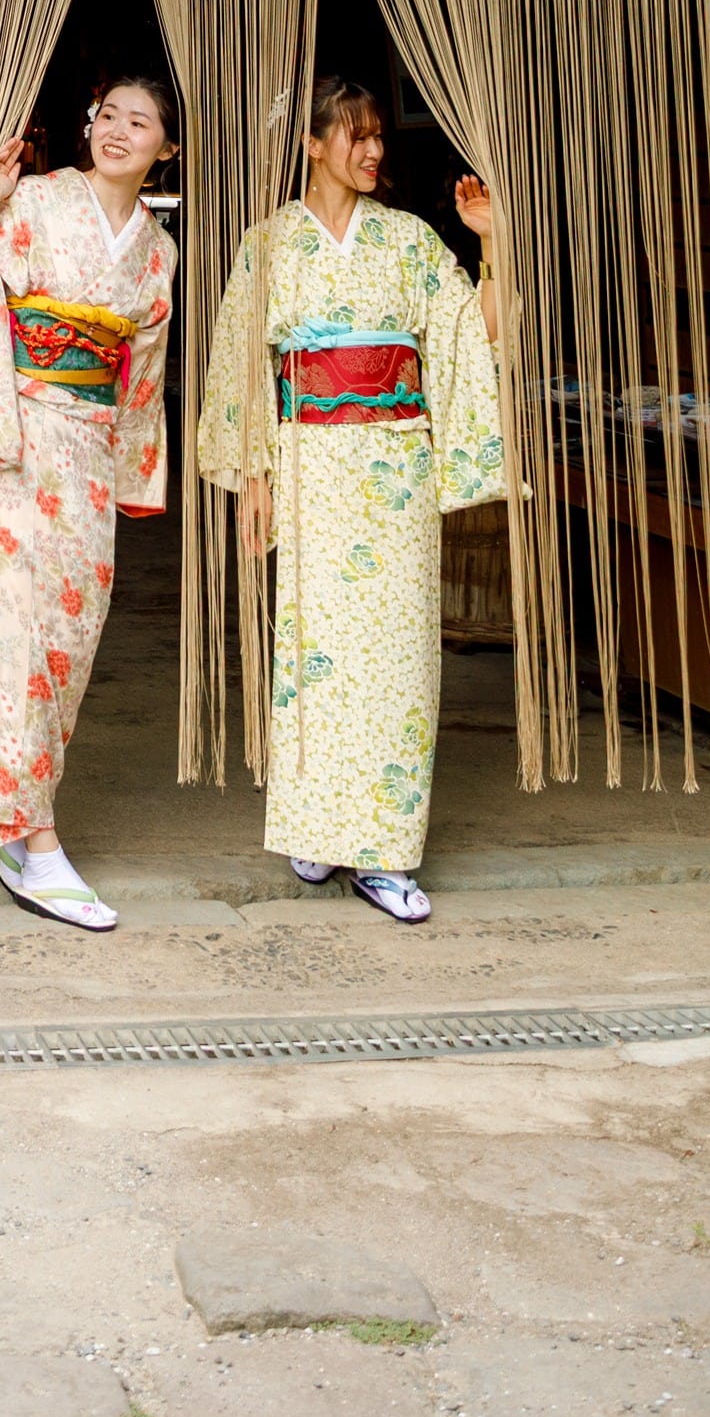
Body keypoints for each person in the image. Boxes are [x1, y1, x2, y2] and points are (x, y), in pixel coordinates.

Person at [193, 74, 505, 923]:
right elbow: (243, 365)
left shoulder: (407, 241)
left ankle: (387, 851)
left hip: (392, 468)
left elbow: (471, 335)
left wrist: (491, 242)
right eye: (355, 135)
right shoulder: (268, 246)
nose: (372, 151)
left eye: (377, 137)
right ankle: (317, 825)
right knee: (313, 653)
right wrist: (253, 470)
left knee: (400, 658)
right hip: (308, 468)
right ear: (314, 144)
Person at [0, 76, 176, 931]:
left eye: (139, 122)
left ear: (164, 150)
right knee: (4, 634)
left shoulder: (157, 253)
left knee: (67, 636)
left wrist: (133, 471)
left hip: (89, 456)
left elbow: (139, 380)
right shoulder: (37, 201)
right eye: (108, 114)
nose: (117, 130)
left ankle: (15, 811)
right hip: (15, 436)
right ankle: (35, 836)